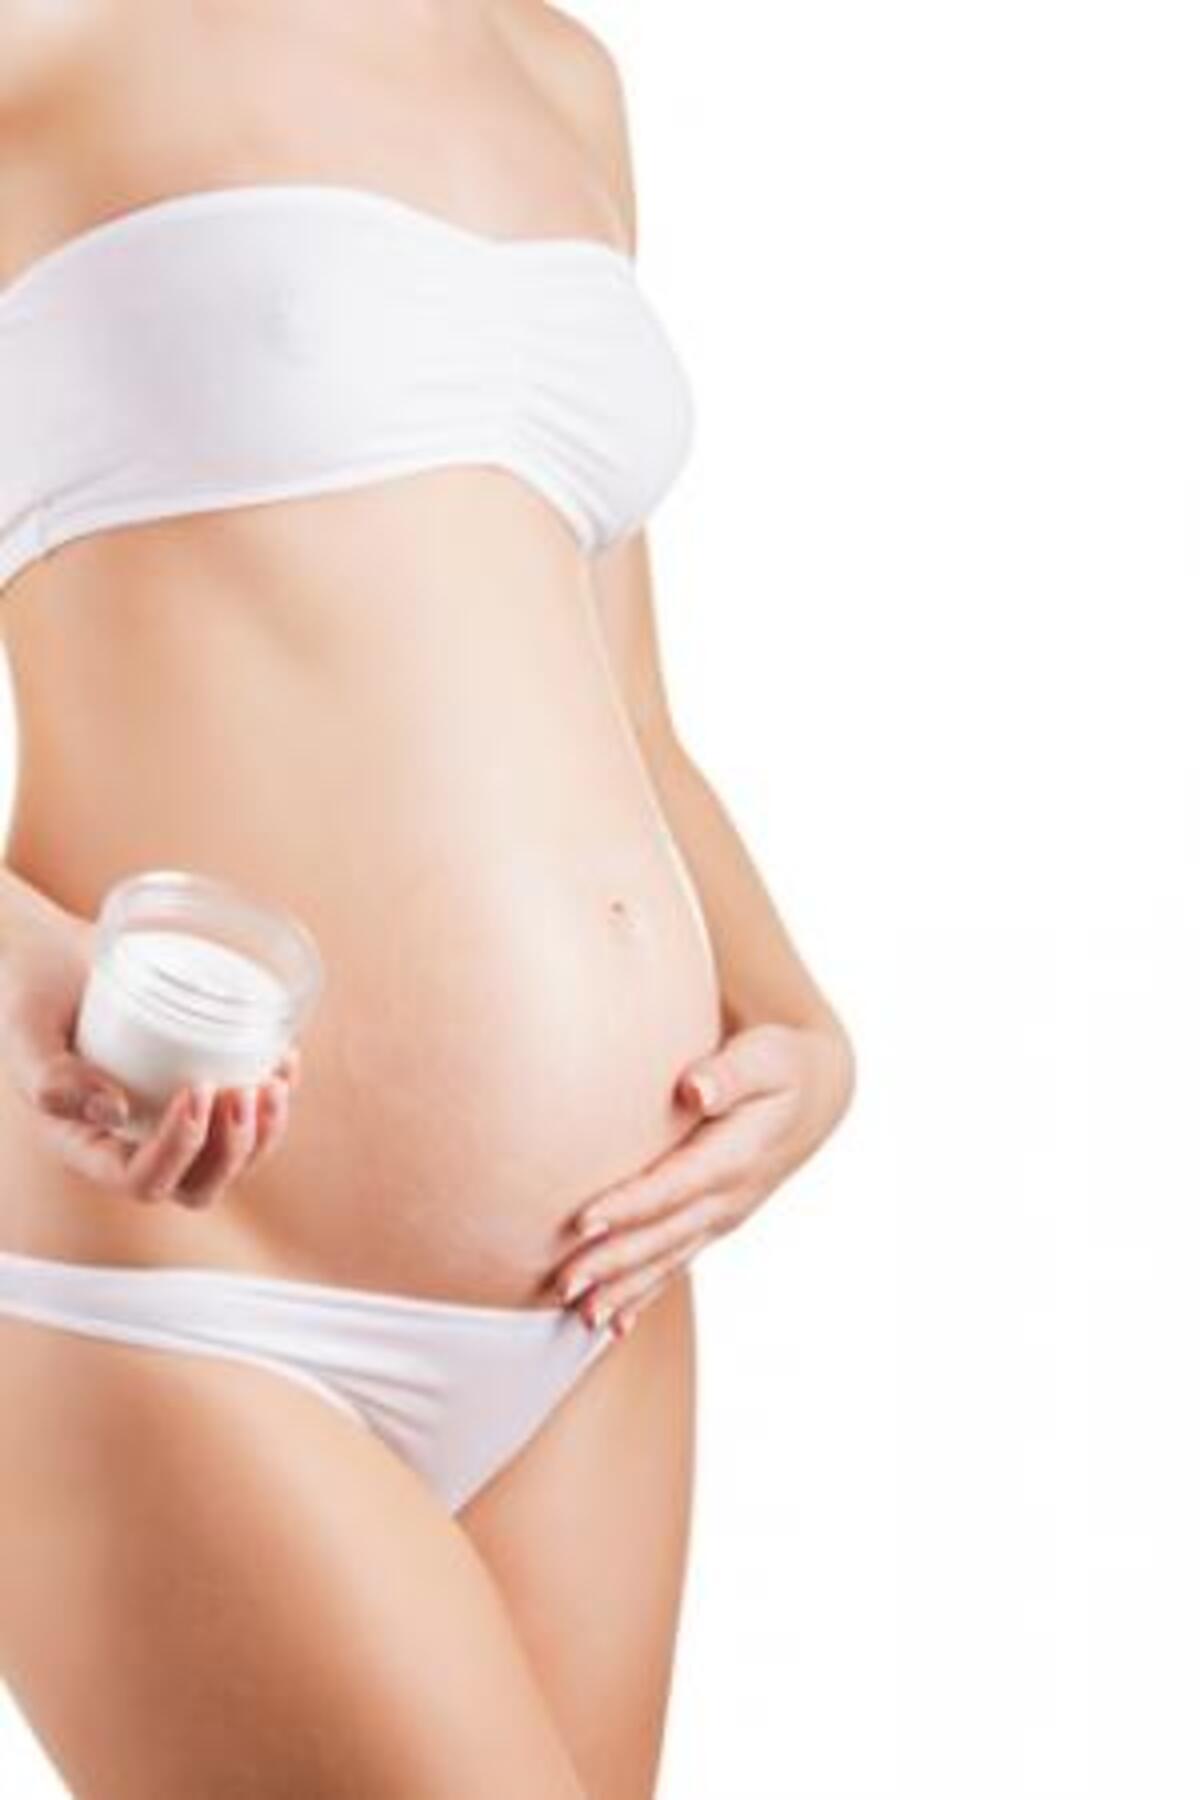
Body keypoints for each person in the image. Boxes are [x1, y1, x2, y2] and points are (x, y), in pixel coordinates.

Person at [0, 4, 856, 1795]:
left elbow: (627, 708)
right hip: (176, 1258)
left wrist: (798, 1023)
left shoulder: (558, 72)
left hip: (604, 1286)